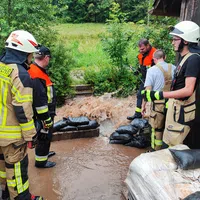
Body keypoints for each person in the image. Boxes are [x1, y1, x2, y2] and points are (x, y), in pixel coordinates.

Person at [142, 21, 200, 148]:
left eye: (175, 39)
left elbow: (188, 90)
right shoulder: (184, 58)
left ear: (186, 40)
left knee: (176, 146)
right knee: (168, 142)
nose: (172, 42)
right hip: (176, 109)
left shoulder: (193, 59)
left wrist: (159, 94)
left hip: (183, 113)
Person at [0, 30, 43, 200]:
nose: (31, 58)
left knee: (3, 171)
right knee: (17, 173)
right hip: (13, 138)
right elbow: (22, 110)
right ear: (23, 53)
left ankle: (4, 195)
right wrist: (31, 135)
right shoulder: (20, 74)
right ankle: (22, 198)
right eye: (30, 54)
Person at [28, 46, 56, 168]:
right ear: (45, 57)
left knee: (42, 135)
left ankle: (43, 153)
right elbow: (39, 101)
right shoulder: (37, 75)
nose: (49, 60)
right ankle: (41, 162)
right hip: (42, 114)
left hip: (42, 112)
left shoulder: (35, 69)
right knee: (44, 136)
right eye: (49, 58)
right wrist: (46, 118)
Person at [141, 49, 175, 151]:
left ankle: (155, 151)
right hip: (172, 104)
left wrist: (143, 106)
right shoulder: (174, 68)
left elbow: (148, 91)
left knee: (157, 129)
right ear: (165, 57)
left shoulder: (151, 70)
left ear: (154, 59)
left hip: (158, 106)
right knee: (171, 129)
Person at [127, 39, 156, 120]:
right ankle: (137, 114)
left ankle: (155, 114)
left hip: (154, 79)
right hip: (145, 78)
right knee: (140, 94)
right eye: (139, 49)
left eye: (142, 49)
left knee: (153, 96)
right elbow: (142, 66)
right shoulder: (141, 55)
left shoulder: (155, 53)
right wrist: (138, 71)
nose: (140, 51)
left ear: (148, 46)